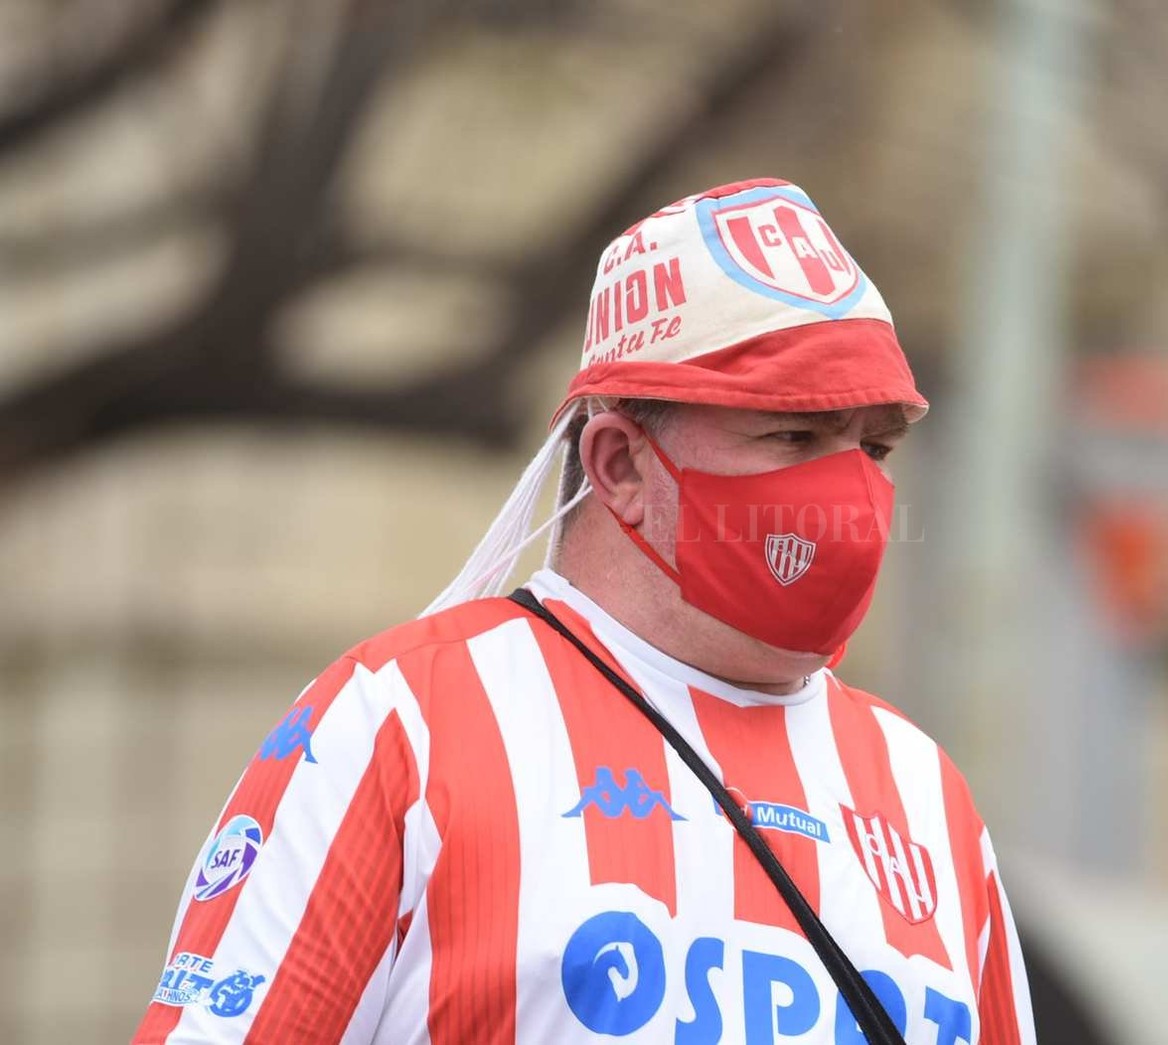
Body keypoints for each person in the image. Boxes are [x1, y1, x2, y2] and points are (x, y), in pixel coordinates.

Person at [133, 178, 1037, 1043]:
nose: (847, 493)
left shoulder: (926, 792)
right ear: (620, 467)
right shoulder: (399, 724)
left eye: (874, 448)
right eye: (792, 435)